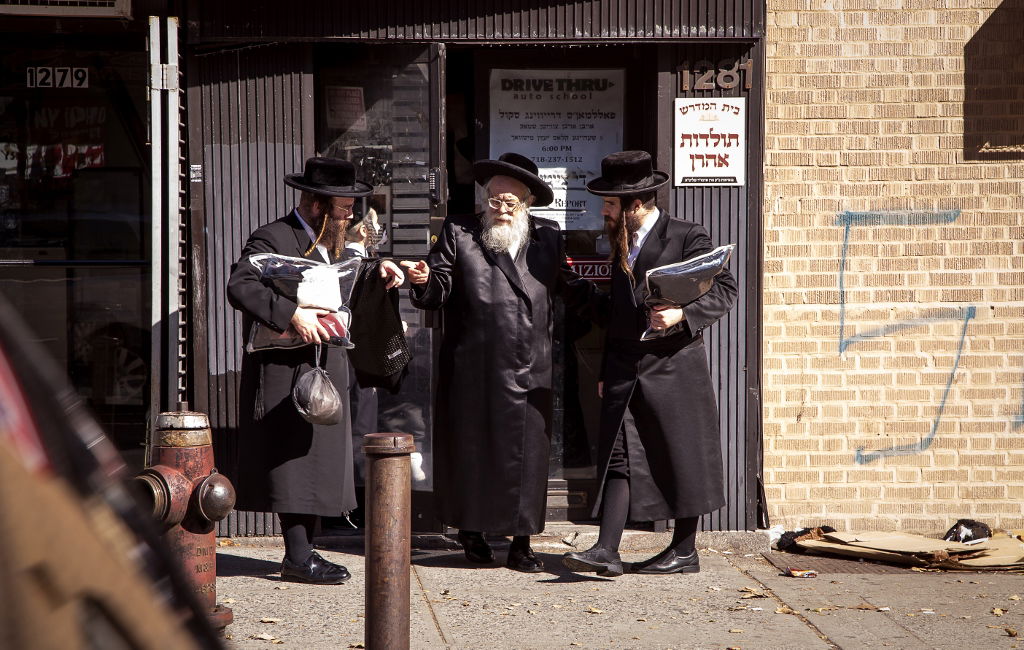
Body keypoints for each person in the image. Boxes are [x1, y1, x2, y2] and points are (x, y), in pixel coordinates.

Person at [402, 152, 592, 573]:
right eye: (494, 200)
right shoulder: (460, 231)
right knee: (473, 453)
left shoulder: (549, 236)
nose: (501, 209)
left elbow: (566, 285)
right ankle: (471, 532)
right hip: (473, 365)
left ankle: (522, 541)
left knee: (527, 458)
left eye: (510, 203)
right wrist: (422, 280)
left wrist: (605, 292)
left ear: (527, 204)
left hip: (529, 365)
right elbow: (441, 285)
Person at [227, 157, 404, 584]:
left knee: (321, 458)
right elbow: (240, 284)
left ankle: (307, 551)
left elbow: (348, 286)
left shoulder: (338, 242)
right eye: (344, 207)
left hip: (330, 364)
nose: (350, 215)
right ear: (316, 204)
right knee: (293, 461)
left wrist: (380, 269)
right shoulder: (271, 236)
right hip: (285, 367)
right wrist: (290, 314)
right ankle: (298, 556)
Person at [562, 150, 737, 577]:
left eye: (609, 204)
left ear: (635, 204)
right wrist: (606, 369)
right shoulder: (621, 241)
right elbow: (619, 315)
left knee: (682, 454)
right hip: (624, 366)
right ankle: (606, 549)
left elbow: (725, 289)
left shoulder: (686, 235)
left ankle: (684, 549)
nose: (603, 211)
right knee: (618, 456)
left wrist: (683, 315)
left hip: (673, 365)